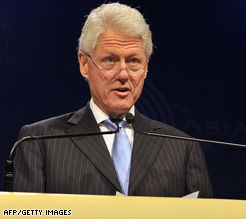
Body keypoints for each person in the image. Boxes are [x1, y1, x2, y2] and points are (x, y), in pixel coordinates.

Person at [14, 2, 213, 198]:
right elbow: (26, 212)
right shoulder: (39, 141)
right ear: (84, 64)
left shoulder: (182, 147)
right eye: (110, 60)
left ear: (146, 67)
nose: (124, 74)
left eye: (134, 61)